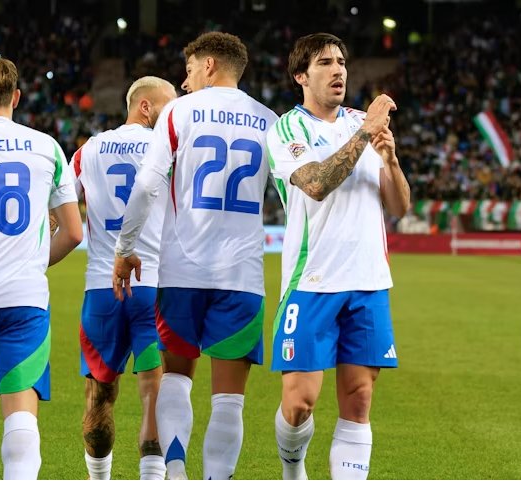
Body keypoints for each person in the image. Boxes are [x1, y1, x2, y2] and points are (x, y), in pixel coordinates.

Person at [112, 32, 279, 480]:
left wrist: (125, 250)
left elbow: (147, 185)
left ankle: (177, 468)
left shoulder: (178, 113)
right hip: (241, 277)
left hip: (182, 272)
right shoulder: (269, 120)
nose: (184, 82)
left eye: (187, 70)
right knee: (229, 399)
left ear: (208, 65)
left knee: (177, 377)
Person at [265, 33, 410, 480]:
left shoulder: (361, 122)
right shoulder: (288, 128)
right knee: (298, 402)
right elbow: (316, 184)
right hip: (313, 282)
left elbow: (400, 207)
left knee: (360, 398)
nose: (339, 70)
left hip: (368, 281)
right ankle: (293, 470)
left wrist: (390, 161)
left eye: (342, 61)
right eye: (325, 62)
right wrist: (366, 133)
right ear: (301, 76)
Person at [0, 56, 82, 479]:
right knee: (21, 419)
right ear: (16, 97)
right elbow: (72, 232)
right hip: (24, 300)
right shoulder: (46, 147)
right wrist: (34, 262)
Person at [69, 76, 177, 480]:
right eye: (169, 106)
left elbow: (56, 205)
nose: (175, 116)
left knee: (99, 395)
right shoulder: (167, 149)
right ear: (145, 107)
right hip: (152, 286)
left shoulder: (88, 150)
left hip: (101, 289)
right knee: (155, 394)